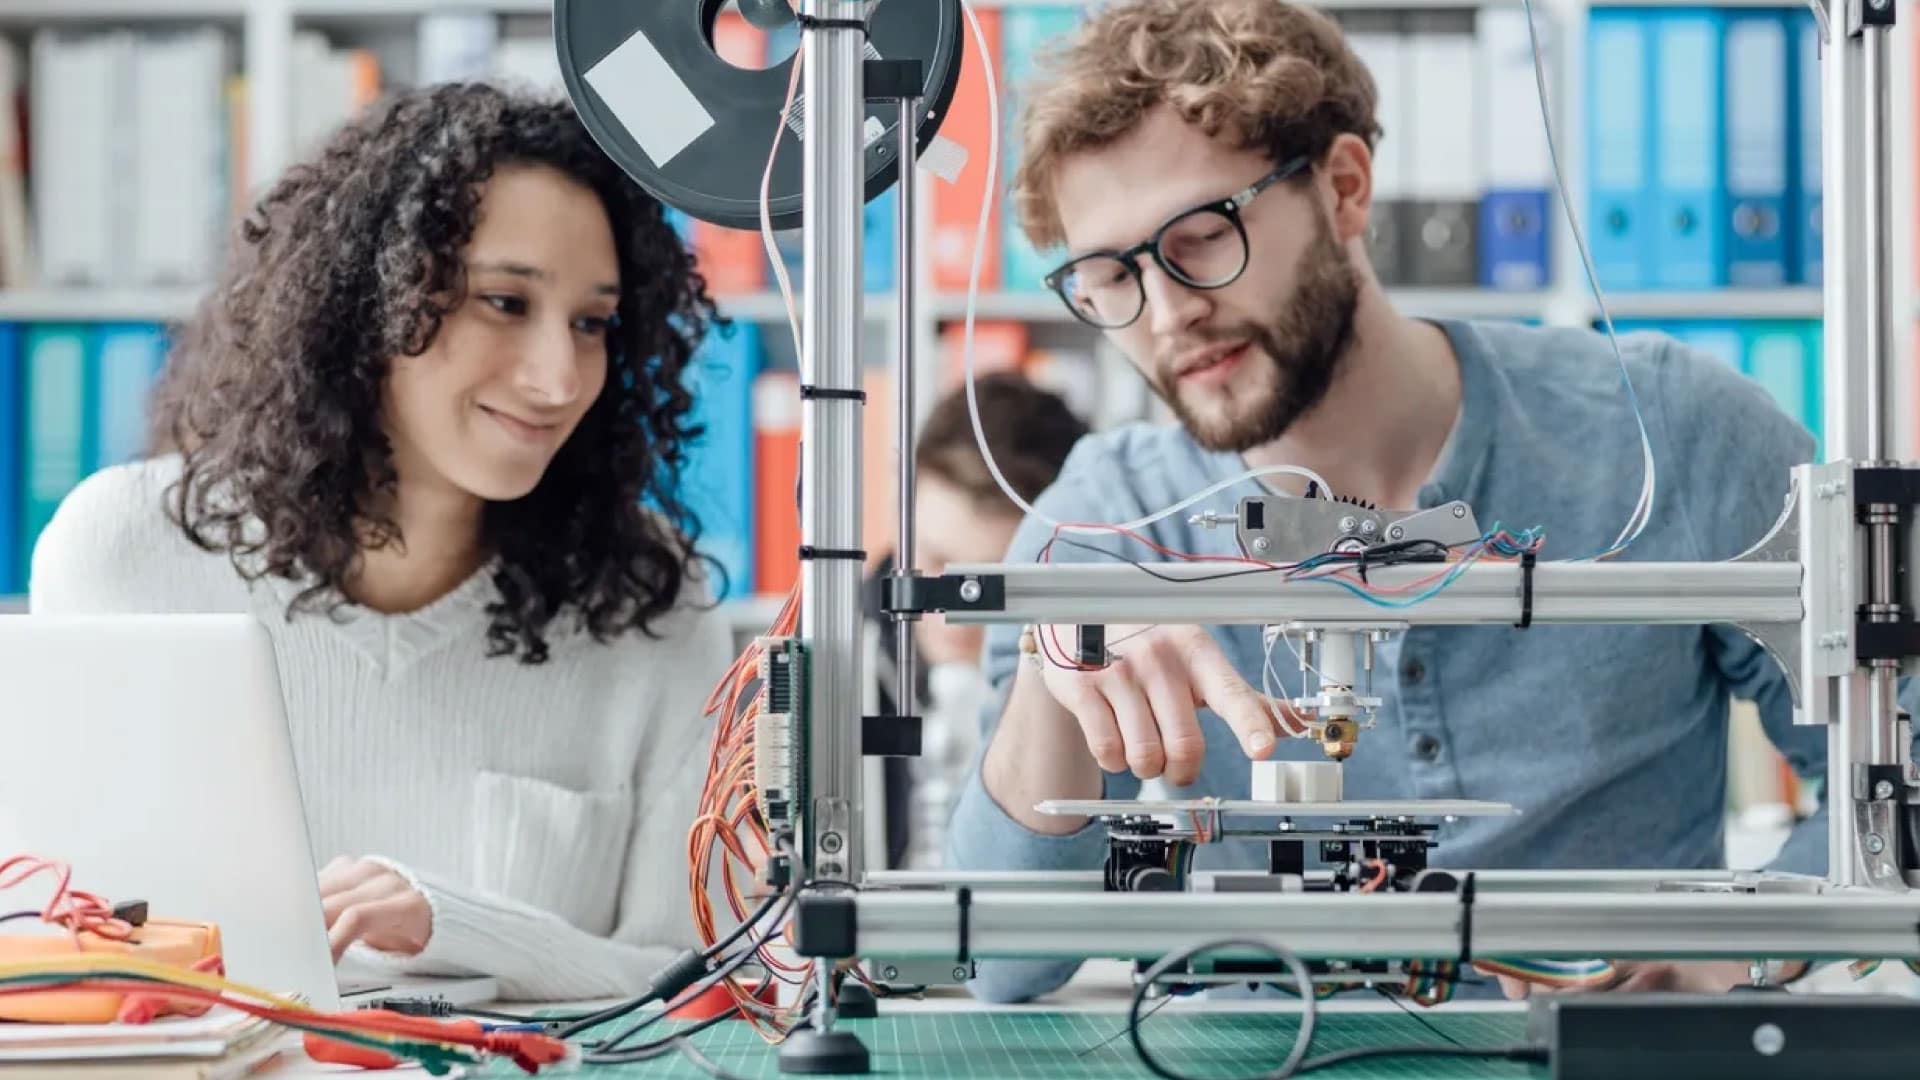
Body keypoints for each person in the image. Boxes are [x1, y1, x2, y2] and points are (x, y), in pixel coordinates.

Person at [945, 0, 1860, 1003]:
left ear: (1343, 189)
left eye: (1201, 237)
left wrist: (1750, 937)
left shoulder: (1668, 434)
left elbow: (1894, 768)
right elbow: (1002, 960)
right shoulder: (1104, 520)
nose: (1166, 314)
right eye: (1107, 276)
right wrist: (1058, 669)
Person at [29, 83, 734, 1001]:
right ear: (374, 299)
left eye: (593, 323)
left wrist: (453, 924)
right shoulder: (122, 553)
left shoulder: (652, 606)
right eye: (505, 301)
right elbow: (64, 945)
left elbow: (695, 979)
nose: (560, 377)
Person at [872, 373, 1088, 869]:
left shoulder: (1100, 664)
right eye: (936, 560)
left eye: (994, 588)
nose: (955, 620)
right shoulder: (829, 660)